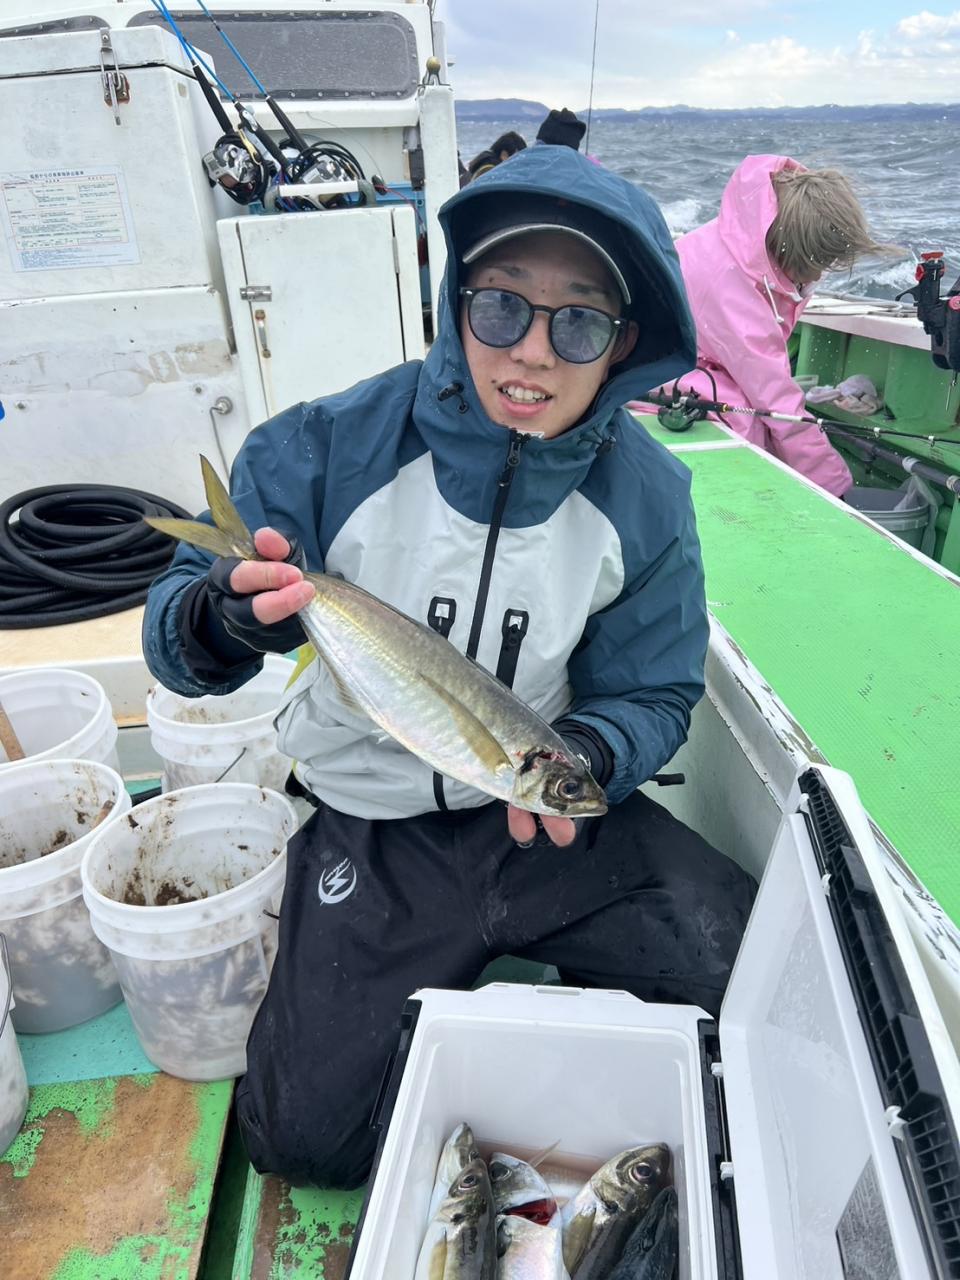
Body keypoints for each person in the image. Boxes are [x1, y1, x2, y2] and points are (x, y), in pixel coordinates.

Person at [142, 145, 756, 1189]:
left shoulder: (648, 498)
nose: (533, 353)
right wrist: (225, 617)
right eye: (502, 309)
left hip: (545, 818)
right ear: (456, 302)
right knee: (303, 1139)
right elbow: (177, 642)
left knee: (743, 970)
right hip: (373, 824)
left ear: (624, 345)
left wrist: (594, 752)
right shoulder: (327, 446)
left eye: (579, 323)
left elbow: (654, 687)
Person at [648, 155, 885, 496]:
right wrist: (834, 487)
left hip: (683, 363)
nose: (820, 273)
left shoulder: (744, 242)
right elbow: (775, 400)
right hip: (658, 377)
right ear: (794, 249)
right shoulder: (730, 288)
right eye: (819, 261)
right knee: (746, 421)